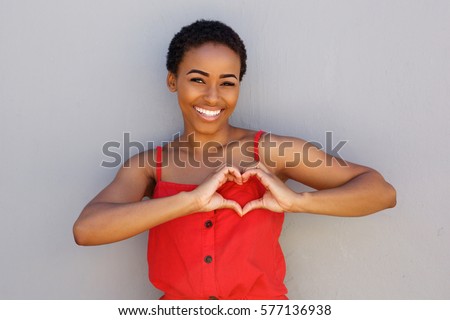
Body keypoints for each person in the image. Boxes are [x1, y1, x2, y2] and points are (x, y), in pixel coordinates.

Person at [73, 20, 396, 300]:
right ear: (173, 81)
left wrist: (298, 201)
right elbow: (87, 231)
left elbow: (381, 192)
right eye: (198, 79)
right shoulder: (148, 166)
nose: (213, 96)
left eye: (227, 82)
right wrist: (190, 201)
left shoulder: (271, 151)